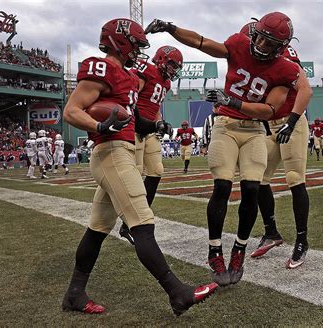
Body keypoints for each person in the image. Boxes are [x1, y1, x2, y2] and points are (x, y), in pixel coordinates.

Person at [61, 18, 217, 315]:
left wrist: (155, 124)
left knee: (97, 229)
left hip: (122, 150)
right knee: (142, 222)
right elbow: (71, 111)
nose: (138, 52)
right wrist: (98, 125)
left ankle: (74, 293)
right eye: (135, 45)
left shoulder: (128, 76)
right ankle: (177, 292)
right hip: (112, 153)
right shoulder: (102, 67)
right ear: (120, 43)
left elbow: (134, 119)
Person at [146, 11, 312, 285]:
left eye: (269, 44)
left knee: (251, 188)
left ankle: (239, 249)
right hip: (226, 125)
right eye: (259, 38)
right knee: (222, 187)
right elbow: (202, 42)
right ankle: (214, 250)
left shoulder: (285, 68)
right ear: (253, 32)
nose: (260, 46)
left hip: (256, 127)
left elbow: (269, 108)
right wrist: (171, 28)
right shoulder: (238, 43)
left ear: (282, 48)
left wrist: (237, 103)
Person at [240, 30, 311, 268]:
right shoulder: (253, 62)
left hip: (292, 123)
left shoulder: (285, 56)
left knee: (294, 178)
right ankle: (271, 232)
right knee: (257, 177)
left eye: (261, 42)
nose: (257, 47)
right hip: (269, 126)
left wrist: (291, 122)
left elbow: (305, 89)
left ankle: (302, 240)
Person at [119, 45, 181, 243]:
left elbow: (155, 108)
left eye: (176, 66)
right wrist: (136, 121)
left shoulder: (167, 83)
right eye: (172, 64)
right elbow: (130, 95)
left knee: (156, 171)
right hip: (135, 126)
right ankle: (133, 222)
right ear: (161, 59)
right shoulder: (147, 69)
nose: (173, 69)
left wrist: (159, 124)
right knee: (135, 174)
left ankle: (132, 222)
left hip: (149, 130)